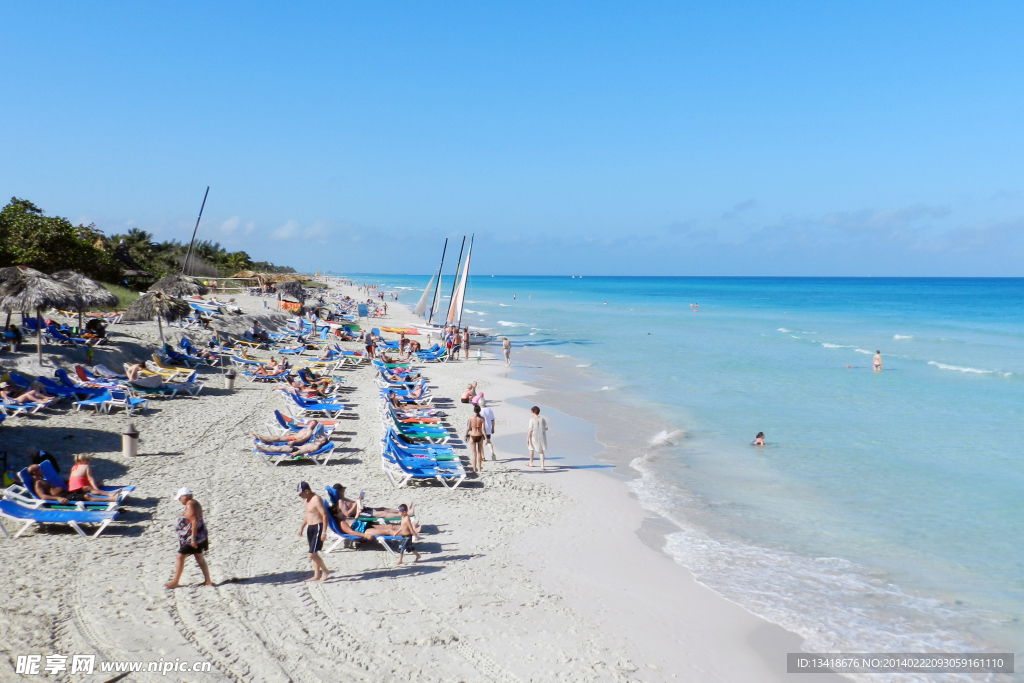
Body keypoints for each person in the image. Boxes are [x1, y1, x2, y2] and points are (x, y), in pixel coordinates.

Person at [166, 487, 213, 588]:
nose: (179, 500)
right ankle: (208, 581)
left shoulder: (190, 505)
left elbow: (194, 521)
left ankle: (175, 581)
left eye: (180, 498)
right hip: (199, 535)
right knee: (199, 557)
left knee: (180, 557)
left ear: (185, 496)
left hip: (194, 537)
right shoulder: (193, 503)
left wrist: (192, 539)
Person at [297, 482, 330, 582]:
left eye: (301, 494)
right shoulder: (307, 500)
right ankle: (316, 575)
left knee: (311, 554)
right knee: (314, 553)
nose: (300, 496)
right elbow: (307, 515)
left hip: (318, 527)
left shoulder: (316, 499)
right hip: (310, 528)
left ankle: (325, 571)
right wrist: (302, 527)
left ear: (307, 491)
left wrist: (324, 532)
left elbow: (324, 515)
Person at [465, 404, 486, 474]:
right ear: (480, 411)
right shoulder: (482, 419)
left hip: (472, 435)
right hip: (479, 435)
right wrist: (486, 437)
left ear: (474, 410)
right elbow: (483, 429)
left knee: (474, 453)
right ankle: (479, 467)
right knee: (479, 452)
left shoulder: (471, 418)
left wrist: (466, 435)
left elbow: (468, 428)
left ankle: (474, 469)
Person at [526, 406, 548, 470]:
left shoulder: (531, 420)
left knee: (531, 449)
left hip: (533, 436)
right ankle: (542, 466)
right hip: (541, 437)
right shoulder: (542, 419)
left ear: (533, 412)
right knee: (541, 452)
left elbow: (530, 430)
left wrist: (527, 439)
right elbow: (546, 428)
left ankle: (531, 463)